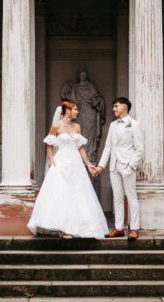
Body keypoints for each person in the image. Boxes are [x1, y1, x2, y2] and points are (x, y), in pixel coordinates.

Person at [27, 100, 109, 239]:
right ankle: (64, 228)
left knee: (78, 193)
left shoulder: (77, 127)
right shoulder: (56, 126)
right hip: (62, 162)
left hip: (75, 163)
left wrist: (88, 164)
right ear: (67, 111)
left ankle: (78, 226)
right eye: (75, 109)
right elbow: (49, 145)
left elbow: (81, 148)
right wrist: (52, 160)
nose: (77, 111)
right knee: (61, 193)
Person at [94, 96, 144, 239]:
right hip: (114, 166)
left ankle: (134, 229)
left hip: (128, 165)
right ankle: (119, 228)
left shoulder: (134, 125)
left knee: (132, 197)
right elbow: (108, 147)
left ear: (124, 107)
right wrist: (101, 166)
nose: (113, 109)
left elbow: (139, 149)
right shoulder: (112, 125)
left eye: (116, 106)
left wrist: (131, 166)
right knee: (117, 198)